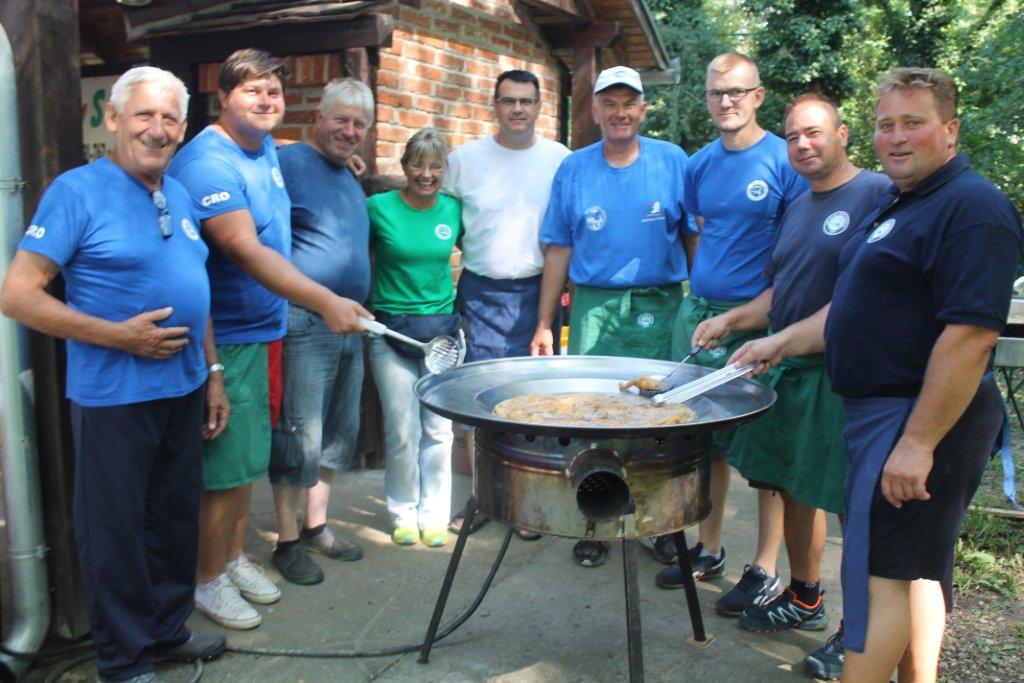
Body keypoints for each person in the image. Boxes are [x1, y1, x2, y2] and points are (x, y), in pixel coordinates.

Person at [0, 67, 227, 682]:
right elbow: (18, 295)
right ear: (113, 119)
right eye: (144, 115)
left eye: (169, 119)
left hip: (182, 388)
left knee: (173, 520)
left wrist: (210, 370)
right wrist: (119, 337)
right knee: (116, 531)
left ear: (183, 129)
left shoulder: (176, 193)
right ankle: (125, 662)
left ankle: (166, 630)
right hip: (114, 397)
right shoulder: (76, 192)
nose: (157, 130)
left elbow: (195, 285)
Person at [821, 68, 1021, 682]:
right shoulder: (902, 200)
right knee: (911, 570)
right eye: (886, 125)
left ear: (951, 129)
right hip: (889, 417)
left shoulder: (974, 207)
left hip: (921, 418)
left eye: (914, 123)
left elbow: (971, 336)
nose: (897, 137)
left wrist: (917, 443)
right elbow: (858, 303)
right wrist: (776, 341)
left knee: (883, 578)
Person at [169, 49, 370, 629]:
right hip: (223, 337)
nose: (265, 101)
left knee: (244, 463)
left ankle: (229, 560)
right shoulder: (209, 162)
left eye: (273, 93)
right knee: (224, 465)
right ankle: (207, 579)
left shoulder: (262, 153)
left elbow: (295, 167)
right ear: (224, 96)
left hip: (261, 330)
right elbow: (241, 247)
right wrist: (324, 299)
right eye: (252, 91)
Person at [693, 94, 890, 678]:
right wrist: (732, 320)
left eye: (814, 132)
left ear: (844, 134)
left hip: (845, 374)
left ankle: (861, 632)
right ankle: (806, 597)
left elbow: (868, 296)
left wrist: (781, 341)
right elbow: (781, 292)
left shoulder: (877, 194)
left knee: (853, 504)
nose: (803, 145)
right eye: (793, 137)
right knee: (794, 486)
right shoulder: (800, 203)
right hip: (792, 372)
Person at [657, 53, 808, 614]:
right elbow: (703, 234)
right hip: (701, 318)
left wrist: (763, 315)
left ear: (759, 96)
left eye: (738, 92)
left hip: (762, 324)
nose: (727, 101)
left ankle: (764, 568)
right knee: (706, 441)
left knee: (763, 449)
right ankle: (709, 546)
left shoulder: (784, 161)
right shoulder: (698, 165)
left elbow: (795, 253)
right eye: (718, 92)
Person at [530, 66, 692, 568]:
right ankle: (596, 519)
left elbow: (692, 235)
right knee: (594, 413)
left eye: (630, 103)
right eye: (610, 103)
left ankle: (657, 521)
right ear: (595, 111)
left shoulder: (672, 161)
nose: (620, 112)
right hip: (595, 306)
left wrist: (701, 299)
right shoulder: (574, 169)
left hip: (660, 304)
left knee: (658, 413)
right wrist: (542, 323)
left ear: (644, 109)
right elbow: (558, 248)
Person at [443, 69, 570, 538]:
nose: (517, 109)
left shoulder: (559, 159)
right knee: (481, 404)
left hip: (538, 293)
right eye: (508, 100)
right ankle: (482, 497)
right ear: (493, 105)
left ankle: (524, 502)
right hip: (479, 291)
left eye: (526, 101)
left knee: (530, 402)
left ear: (540, 107)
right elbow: (439, 215)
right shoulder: (465, 159)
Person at [268, 78, 373, 585]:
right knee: (299, 434)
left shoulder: (349, 176)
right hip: (305, 320)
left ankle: (316, 526)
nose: (349, 131)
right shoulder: (287, 163)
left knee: (337, 434)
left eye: (359, 124)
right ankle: (286, 542)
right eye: (341, 120)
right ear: (319, 118)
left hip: (352, 324)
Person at [367, 128, 463, 547]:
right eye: (418, 165)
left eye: (435, 165)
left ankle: (434, 516)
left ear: (445, 170)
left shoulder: (454, 210)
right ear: (405, 167)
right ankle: (403, 512)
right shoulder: (377, 207)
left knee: (440, 432)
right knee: (403, 429)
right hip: (390, 329)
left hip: (441, 334)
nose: (427, 174)